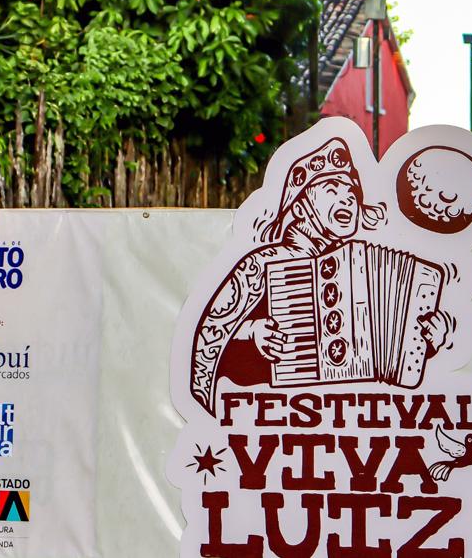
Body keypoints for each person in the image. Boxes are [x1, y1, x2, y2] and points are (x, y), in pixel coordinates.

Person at [190, 137, 452, 415]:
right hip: (267, 415)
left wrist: (426, 341)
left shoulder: (359, 270)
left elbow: (375, 354)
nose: (347, 199)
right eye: (331, 189)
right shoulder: (262, 264)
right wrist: (250, 332)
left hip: (335, 420)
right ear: (300, 207)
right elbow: (208, 339)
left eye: (351, 193)